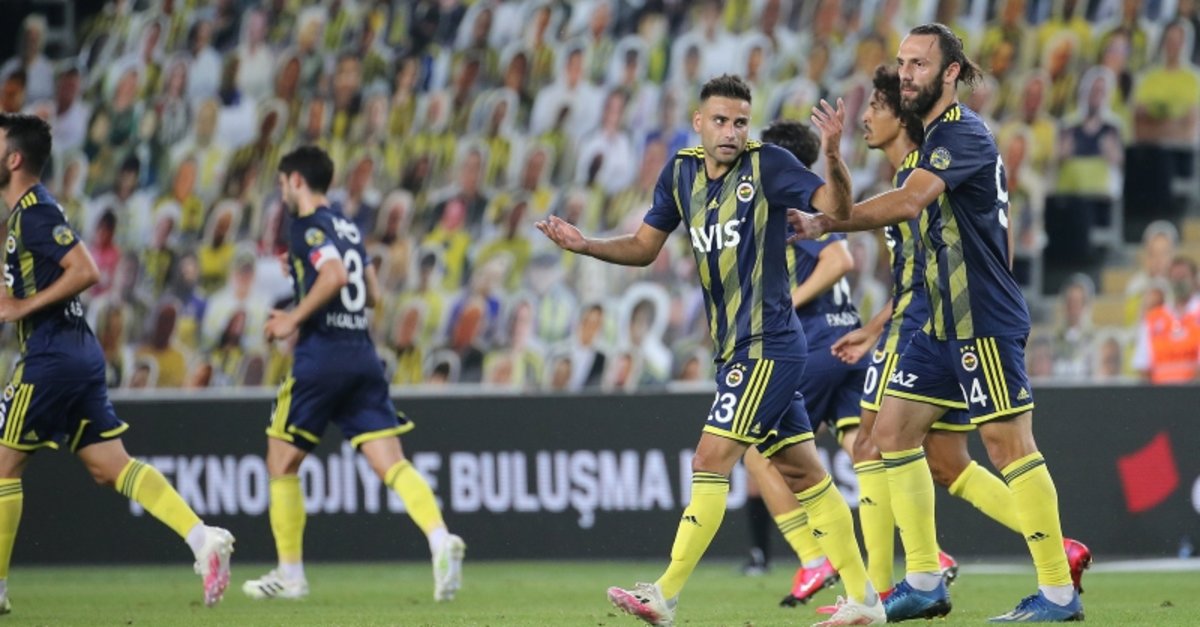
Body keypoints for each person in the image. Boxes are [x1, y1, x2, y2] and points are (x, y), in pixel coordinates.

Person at [538, 74, 885, 627]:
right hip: (734, 348)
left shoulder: (768, 165)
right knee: (805, 476)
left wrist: (835, 155)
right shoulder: (680, 173)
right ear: (698, 122)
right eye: (720, 121)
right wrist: (585, 245)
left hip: (770, 345)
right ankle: (865, 599)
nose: (731, 132)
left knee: (709, 459)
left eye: (740, 122)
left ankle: (665, 594)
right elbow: (644, 247)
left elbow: (837, 210)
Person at [789, 24, 1084, 622]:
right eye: (902, 63)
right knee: (891, 433)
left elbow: (908, 202)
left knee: (1007, 446)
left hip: (981, 320)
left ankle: (1058, 592)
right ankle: (924, 580)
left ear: (951, 73)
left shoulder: (961, 132)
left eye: (919, 64)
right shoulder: (928, 144)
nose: (906, 74)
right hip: (938, 327)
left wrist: (827, 224)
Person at [0, 113, 234, 612]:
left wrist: (23, 307)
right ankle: (202, 538)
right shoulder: (27, 215)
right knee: (110, 466)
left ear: (14, 159)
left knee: (2, 465)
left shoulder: (34, 211)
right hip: (76, 352)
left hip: (51, 354)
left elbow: (85, 270)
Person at [243, 146, 465, 601]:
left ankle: (291, 575)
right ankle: (440, 538)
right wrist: (303, 273)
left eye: (283, 183)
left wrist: (292, 318)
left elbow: (334, 277)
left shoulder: (304, 225)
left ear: (297, 181)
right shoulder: (347, 227)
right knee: (392, 463)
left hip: (322, 356)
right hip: (362, 355)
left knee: (280, 459)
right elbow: (373, 294)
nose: (282, 192)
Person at [732, 119, 871, 605]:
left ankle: (814, 559)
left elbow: (840, 259)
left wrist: (787, 301)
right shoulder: (820, 201)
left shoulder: (794, 207)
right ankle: (925, 558)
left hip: (813, 347)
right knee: (868, 454)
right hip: (848, 339)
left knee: (757, 453)